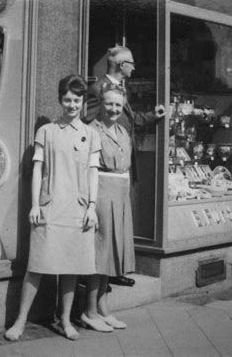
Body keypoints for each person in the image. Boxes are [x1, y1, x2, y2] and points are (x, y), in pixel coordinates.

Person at [5, 74, 101, 341]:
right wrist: (35, 205)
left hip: (78, 209)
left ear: (83, 101)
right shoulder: (45, 132)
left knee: (71, 267)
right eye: (67, 99)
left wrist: (92, 207)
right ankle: (20, 322)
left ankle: (65, 320)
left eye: (77, 99)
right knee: (36, 266)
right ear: (60, 100)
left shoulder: (91, 135)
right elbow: (37, 170)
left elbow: (94, 174)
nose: (72, 104)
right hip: (50, 207)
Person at [84, 45, 165, 287]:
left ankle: (113, 269)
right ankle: (100, 274)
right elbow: (89, 121)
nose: (134, 67)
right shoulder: (97, 88)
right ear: (121, 66)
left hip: (121, 165)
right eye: (131, 63)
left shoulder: (121, 91)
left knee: (117, 221)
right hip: (103, 168)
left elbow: (129, 121)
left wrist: (152, 116)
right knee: (104, 225)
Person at [82, 84, 133, 332]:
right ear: (101, 103)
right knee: (99, 255)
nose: (114, 109)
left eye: (118, 104)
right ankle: (89, 311)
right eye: (109, 103)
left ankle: (102, 309)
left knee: (111, 254)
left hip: (121, 196)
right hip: (101, 194)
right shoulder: (92, 130)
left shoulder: (123, 131)